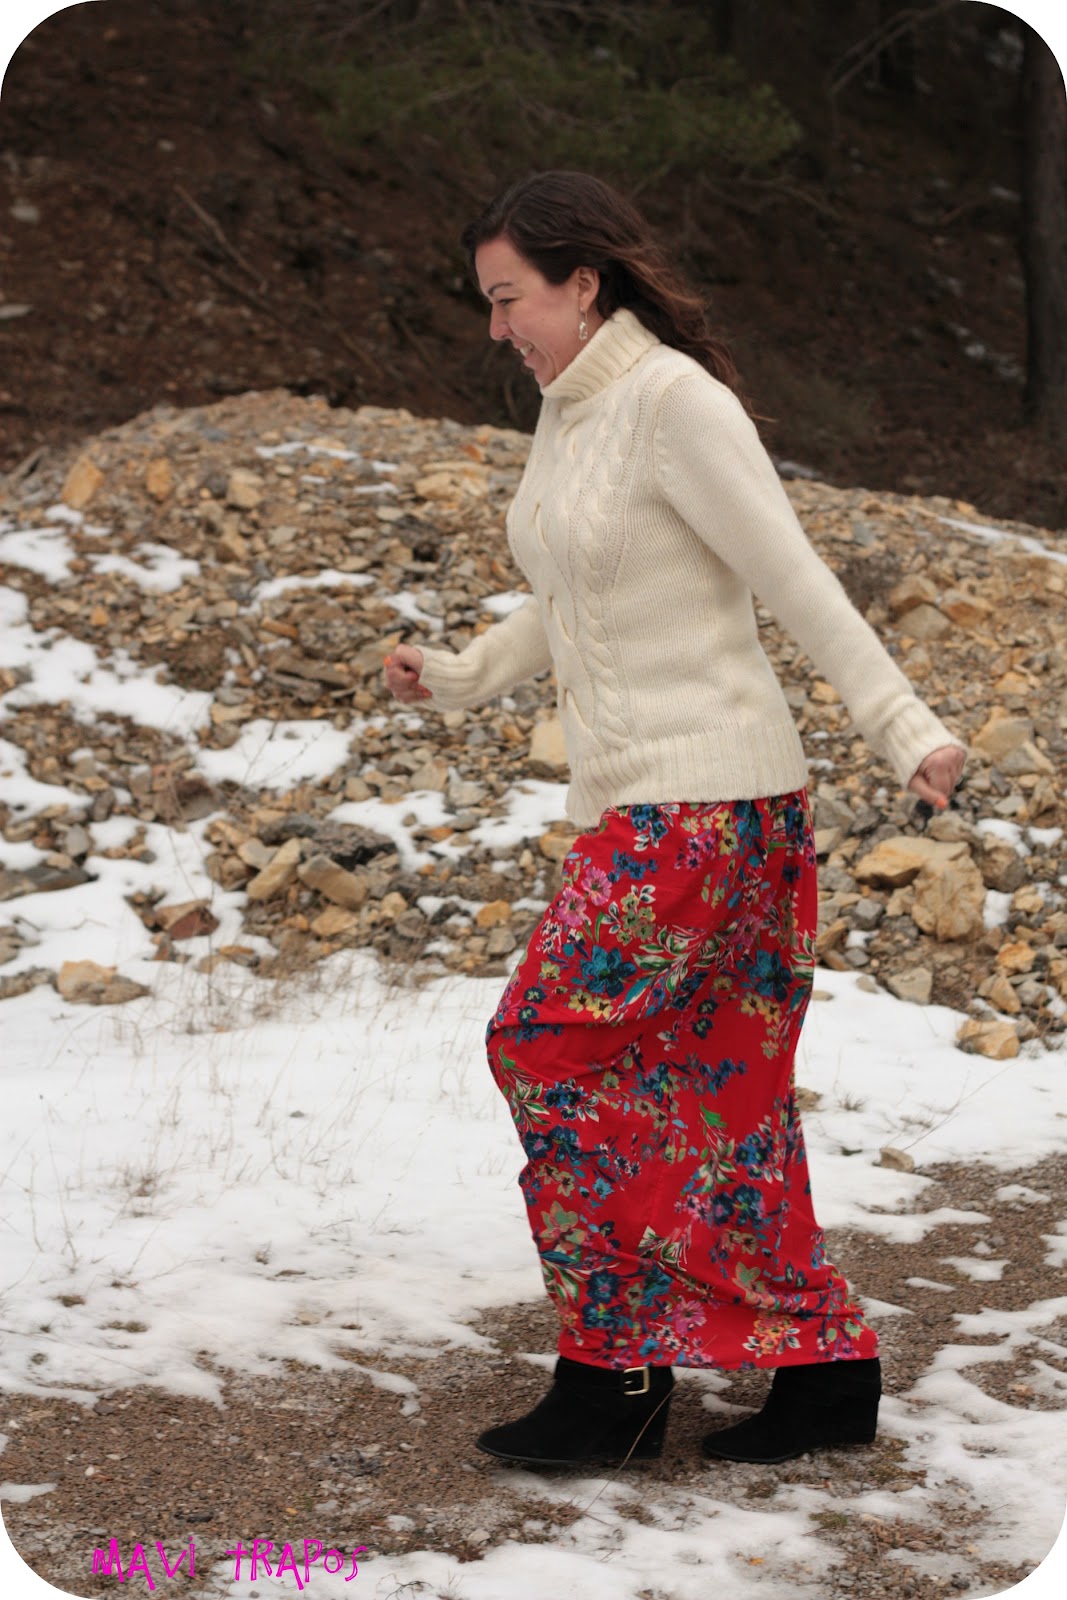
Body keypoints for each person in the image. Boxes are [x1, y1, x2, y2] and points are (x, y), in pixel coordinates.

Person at [385, 170, 965, 1470]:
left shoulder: (675, 403)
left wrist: (905, 726)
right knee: (721, 1095)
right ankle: (823, 1367)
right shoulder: (571, 410)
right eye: (487, 302)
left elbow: (793, 578)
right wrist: (464, 675)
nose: (496, 327)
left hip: (706, 809)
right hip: (664, 808)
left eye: (510, 299)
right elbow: (573, 588)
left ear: (584, 284)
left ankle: (616, 1370)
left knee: (546, 1045)